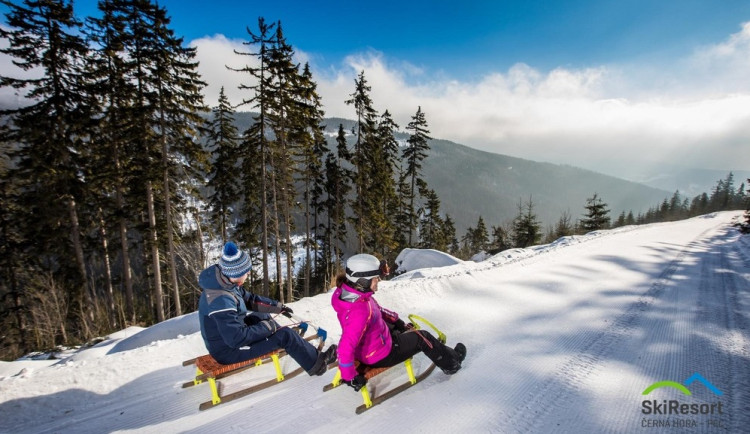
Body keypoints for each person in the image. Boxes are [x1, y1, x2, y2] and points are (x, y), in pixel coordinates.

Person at [198, 241, 337, 376]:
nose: (248, 274)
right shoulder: (220, 299)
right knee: (285, 335)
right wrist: (268, 328)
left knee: (262, 317)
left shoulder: (226, 283)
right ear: (237, 273)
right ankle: (317, 365)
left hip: (231, 338)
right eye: (247, 271)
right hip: (229, 351)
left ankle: (286, 343)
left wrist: (278, 308)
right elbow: (236, 339)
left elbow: (250, 300)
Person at [331, 253, 466, 391]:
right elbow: (345, 347)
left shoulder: (352, 294)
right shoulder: (359, 311)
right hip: (380, 354)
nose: (378, 282)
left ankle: (400, 333)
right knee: (423, 337)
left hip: (374, 340)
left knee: (401, 328)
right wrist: (350, 378)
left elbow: (378, 310)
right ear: (363, 282)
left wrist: (399, 322)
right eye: (376, 279)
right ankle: (452, 364)